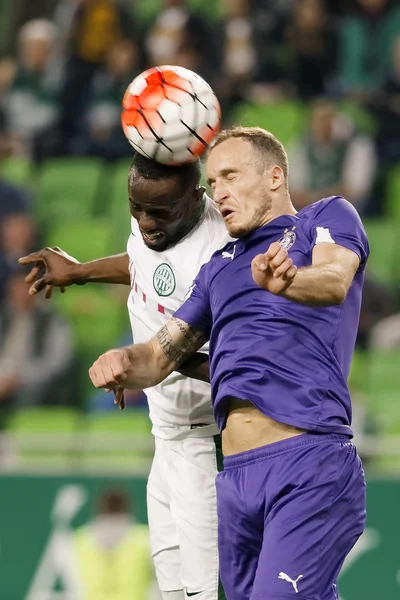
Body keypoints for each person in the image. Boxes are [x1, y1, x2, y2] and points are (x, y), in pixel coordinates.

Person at [88, 126, 369, 600]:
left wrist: (289, 281)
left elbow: (335, 278)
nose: (219, 193)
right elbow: (159, 356)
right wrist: (121, 360)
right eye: (213, 182)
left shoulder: (325, 218)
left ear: (275, 177)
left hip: (308, 462)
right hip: (236, 482)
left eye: (231, 177)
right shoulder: (218, 266)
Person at [19, 152, 230, 600]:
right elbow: (144, 267)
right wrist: (80, 272)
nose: (146, 221)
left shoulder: (220, 254)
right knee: (174, 590)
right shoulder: (156, 220)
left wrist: (148, 361)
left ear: (197, 198)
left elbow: (236, 364)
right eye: (136, 208)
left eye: (159, 212)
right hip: (167, 435)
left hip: (206, 442)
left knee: (207, 591)